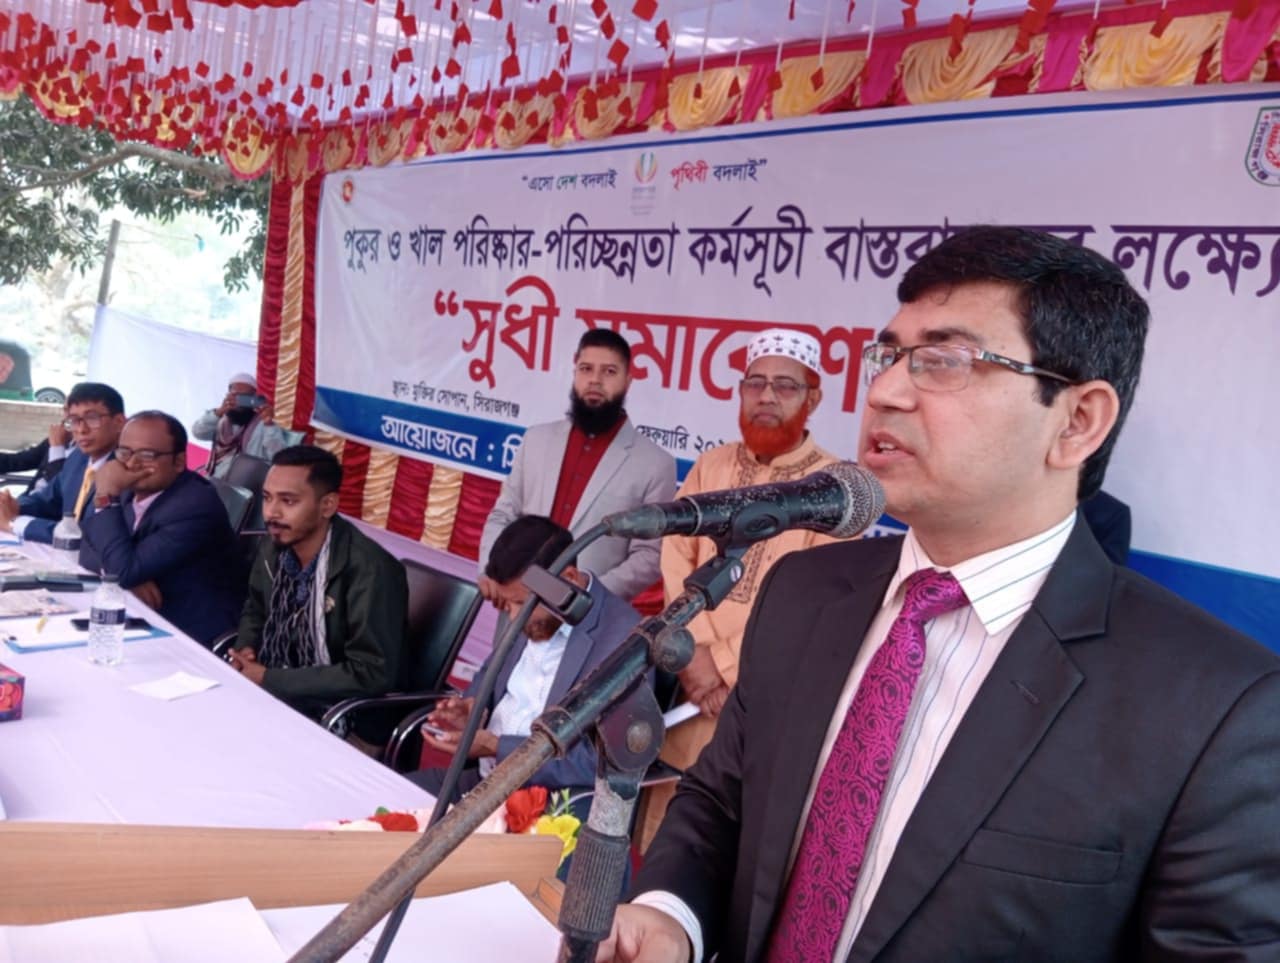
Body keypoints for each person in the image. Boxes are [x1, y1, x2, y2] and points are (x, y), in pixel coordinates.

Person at [602, 226, 1280, 962]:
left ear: (1077, 422)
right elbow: (721, 802)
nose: (885, 391)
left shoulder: (1216, 711)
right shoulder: (806, 594)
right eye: (889, 356)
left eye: (945, 361)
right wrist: (670, 917)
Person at [641, 327, 850, 846]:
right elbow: (676, 558)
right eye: (755, 383)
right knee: (662, 831)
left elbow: (815, 606)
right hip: (689, 685)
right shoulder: (711, 466)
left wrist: (723, 665)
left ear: (812, 399)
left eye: (785, 386)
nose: (766, 397)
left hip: (761, 697)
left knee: (724, 843)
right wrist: (691, 654)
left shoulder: (833, 490)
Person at [408, 515, 642, 800]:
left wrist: (497, 747)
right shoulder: (535, 607)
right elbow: (487, 681)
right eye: (509, 604)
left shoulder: (623, 638)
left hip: (549, 804)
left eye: (521, 603)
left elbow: (601, 762)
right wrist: (472, 712)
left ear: (568, 580)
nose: (514, 616)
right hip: (480, 785)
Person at [479, 329, 677, 603]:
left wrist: (585, 593)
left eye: (609, 371)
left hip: (587, 615)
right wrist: (492, 571)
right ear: (574, 374)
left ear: (628, 381)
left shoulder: (655, 464)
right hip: (516, 604)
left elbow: (649, 556)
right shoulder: (536, 440)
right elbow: (504, 513)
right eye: (586, 369)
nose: (595, 379)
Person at [229, 445, 408, 744]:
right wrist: (246, 648)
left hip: (349, 717)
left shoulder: (371, 570)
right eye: (267, 498)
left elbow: (370, 673)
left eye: (288, 501)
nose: (271, 513)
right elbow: (256, 609)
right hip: (280, 688)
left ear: (327, 506)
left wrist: (269, 678)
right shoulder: (274, 545)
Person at [78, 411, 246, 645]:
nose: (132, 464)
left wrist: (106, 498)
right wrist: (126, 576)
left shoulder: (194, 505)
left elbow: (121, 568)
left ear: (179, 462)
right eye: (124, 452)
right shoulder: (128, 486)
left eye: (147, 455)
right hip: (142, 615)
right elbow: (86, 545)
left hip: (190, 633)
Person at [0, 382, 125, 542]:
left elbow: (88, 535)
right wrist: (13, 505)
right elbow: (47, 500)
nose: (81, 429)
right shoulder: (78, 458)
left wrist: (16, 523)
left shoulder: (126, 469)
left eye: (92, 418)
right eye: (74, 420)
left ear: (119, 422)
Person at [191, 372, 289, 478]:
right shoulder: (220, 419)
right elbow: (198, 433)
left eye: (245, 397)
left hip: (246, 482)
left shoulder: (262, 423)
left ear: (253, 398)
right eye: (235, 395)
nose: (239, 401)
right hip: (214, 477)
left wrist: (269, 425)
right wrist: (219, 412)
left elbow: (278, 455)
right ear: (228, 395)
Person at [0, 418, 69, 495]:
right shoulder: (56, 440)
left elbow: (62, 490)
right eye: (66, 411)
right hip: (28, 498)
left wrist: (57, 449)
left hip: (46, 501)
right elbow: (21, 460)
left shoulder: (79, 454)